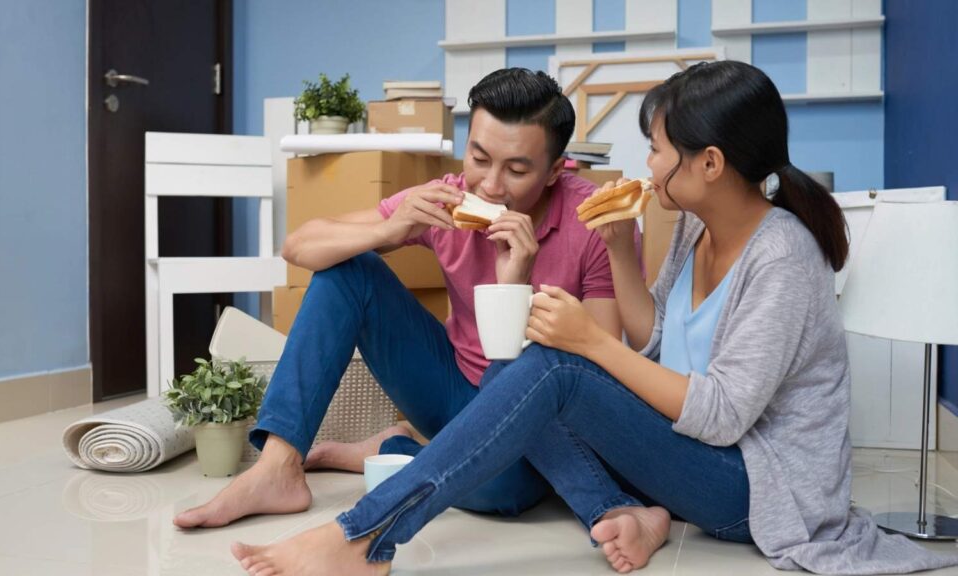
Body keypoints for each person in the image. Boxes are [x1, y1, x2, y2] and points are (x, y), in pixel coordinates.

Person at [228, 61, 958, 575]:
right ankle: (306, 469)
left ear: (708, 163)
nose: (646, 163)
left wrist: (581, 337)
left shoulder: (784, 257)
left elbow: (723, 413)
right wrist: (620, 259)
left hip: (752, 489)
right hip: (674, 451)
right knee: (542, 358)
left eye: (658, 147)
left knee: (551, 363)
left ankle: (366, 534)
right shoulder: (701, 232)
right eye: (479, 157)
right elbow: (659, 345)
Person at [173, 67, 641, 529]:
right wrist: (389, 230)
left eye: (517, 169)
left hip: (541, 424)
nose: (491, 186)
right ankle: (278, 467)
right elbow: (298, 246)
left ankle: (392, 449)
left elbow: (598, 366)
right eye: (478, 158)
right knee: (349, 270)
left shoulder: (595, 224)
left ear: (557, 171)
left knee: (507, 491)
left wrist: (514, 282)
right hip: (454, 390)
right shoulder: (445, 199)